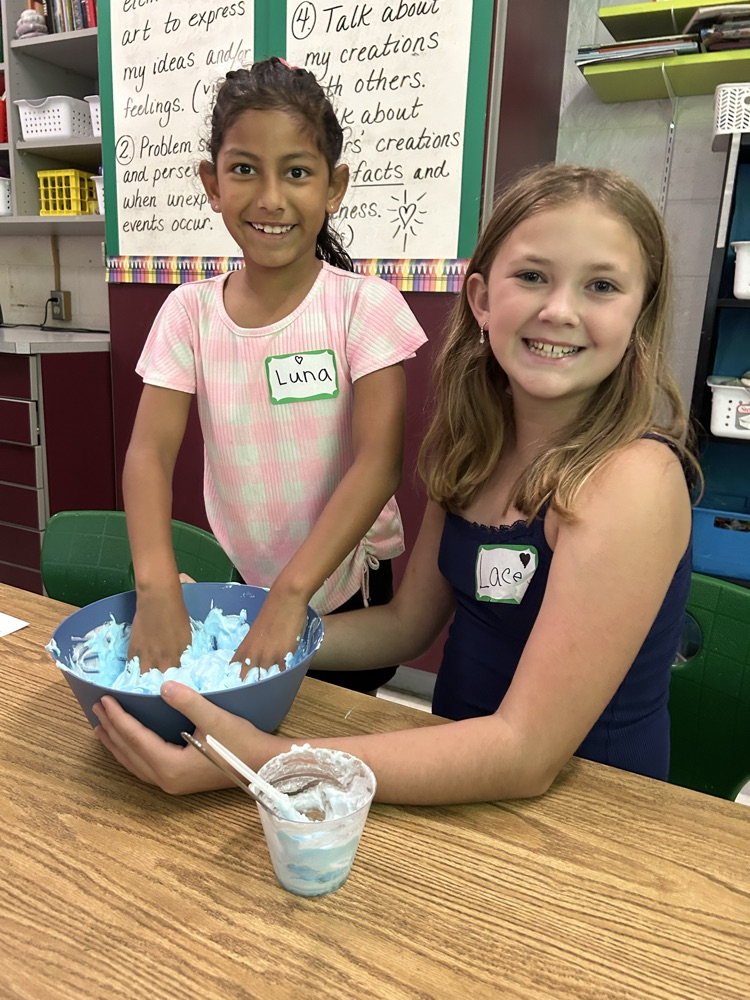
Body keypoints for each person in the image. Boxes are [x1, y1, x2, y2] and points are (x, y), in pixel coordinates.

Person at [95, 163, 700, 805]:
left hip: (588, 817)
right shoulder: (474, 452)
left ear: (641, 312)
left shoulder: (634, 480)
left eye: (601, 286)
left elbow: (524, 754)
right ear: (481, 299)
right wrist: (241, 640)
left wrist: (261, 764)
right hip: (454, 783)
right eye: (532, 276)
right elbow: (407, 626)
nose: (559, 311)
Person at [122, 57, 427, 693]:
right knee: (251, 707)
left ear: (334, 187)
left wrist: (293, 594)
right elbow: (149, 454)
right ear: (212, 183)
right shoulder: (189, 313)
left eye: (296, 172)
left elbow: (378, 463)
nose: (270, 198)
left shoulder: (363, 307)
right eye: (244, 170)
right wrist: (155, 583)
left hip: (342, 580)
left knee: (328, 716)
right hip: (251, 571)